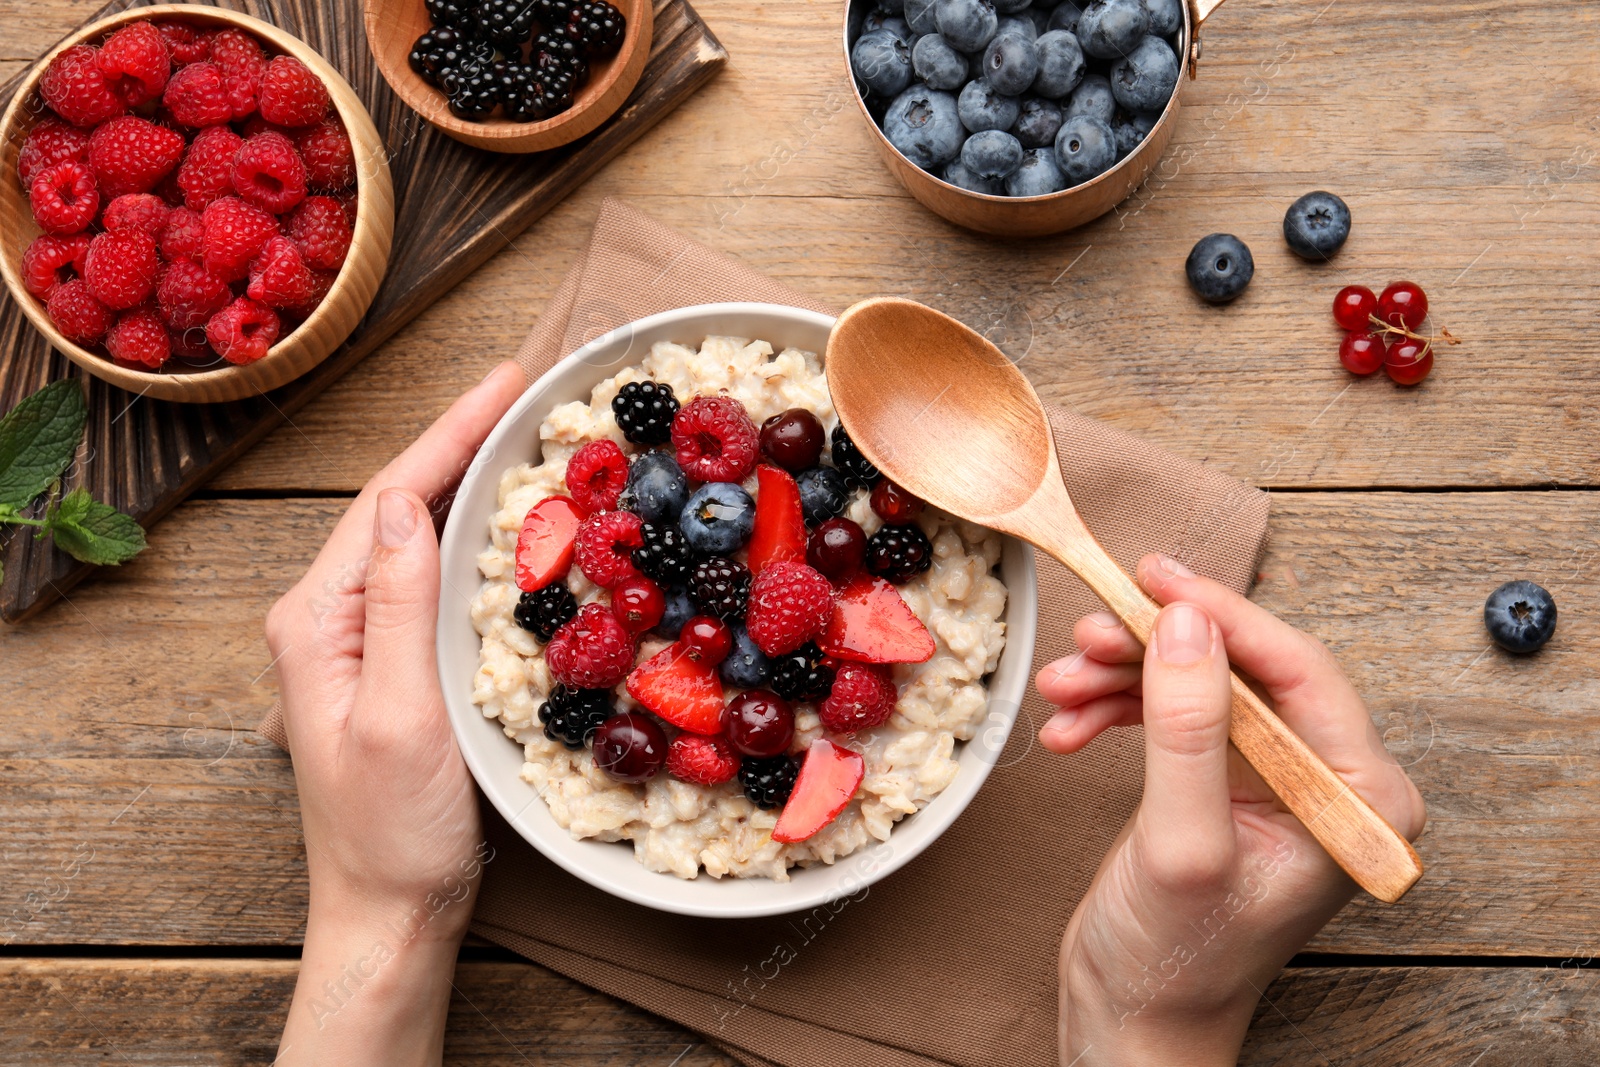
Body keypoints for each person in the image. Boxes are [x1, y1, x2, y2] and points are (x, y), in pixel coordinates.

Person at [265, 363, 1426, 1065]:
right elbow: (713, 607)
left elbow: (787, 605)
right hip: (701, 692)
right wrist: (1145, 1027)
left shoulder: (811, 570)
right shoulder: (660, 603)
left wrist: (384, 905)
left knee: (753, 595)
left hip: (793, 670)